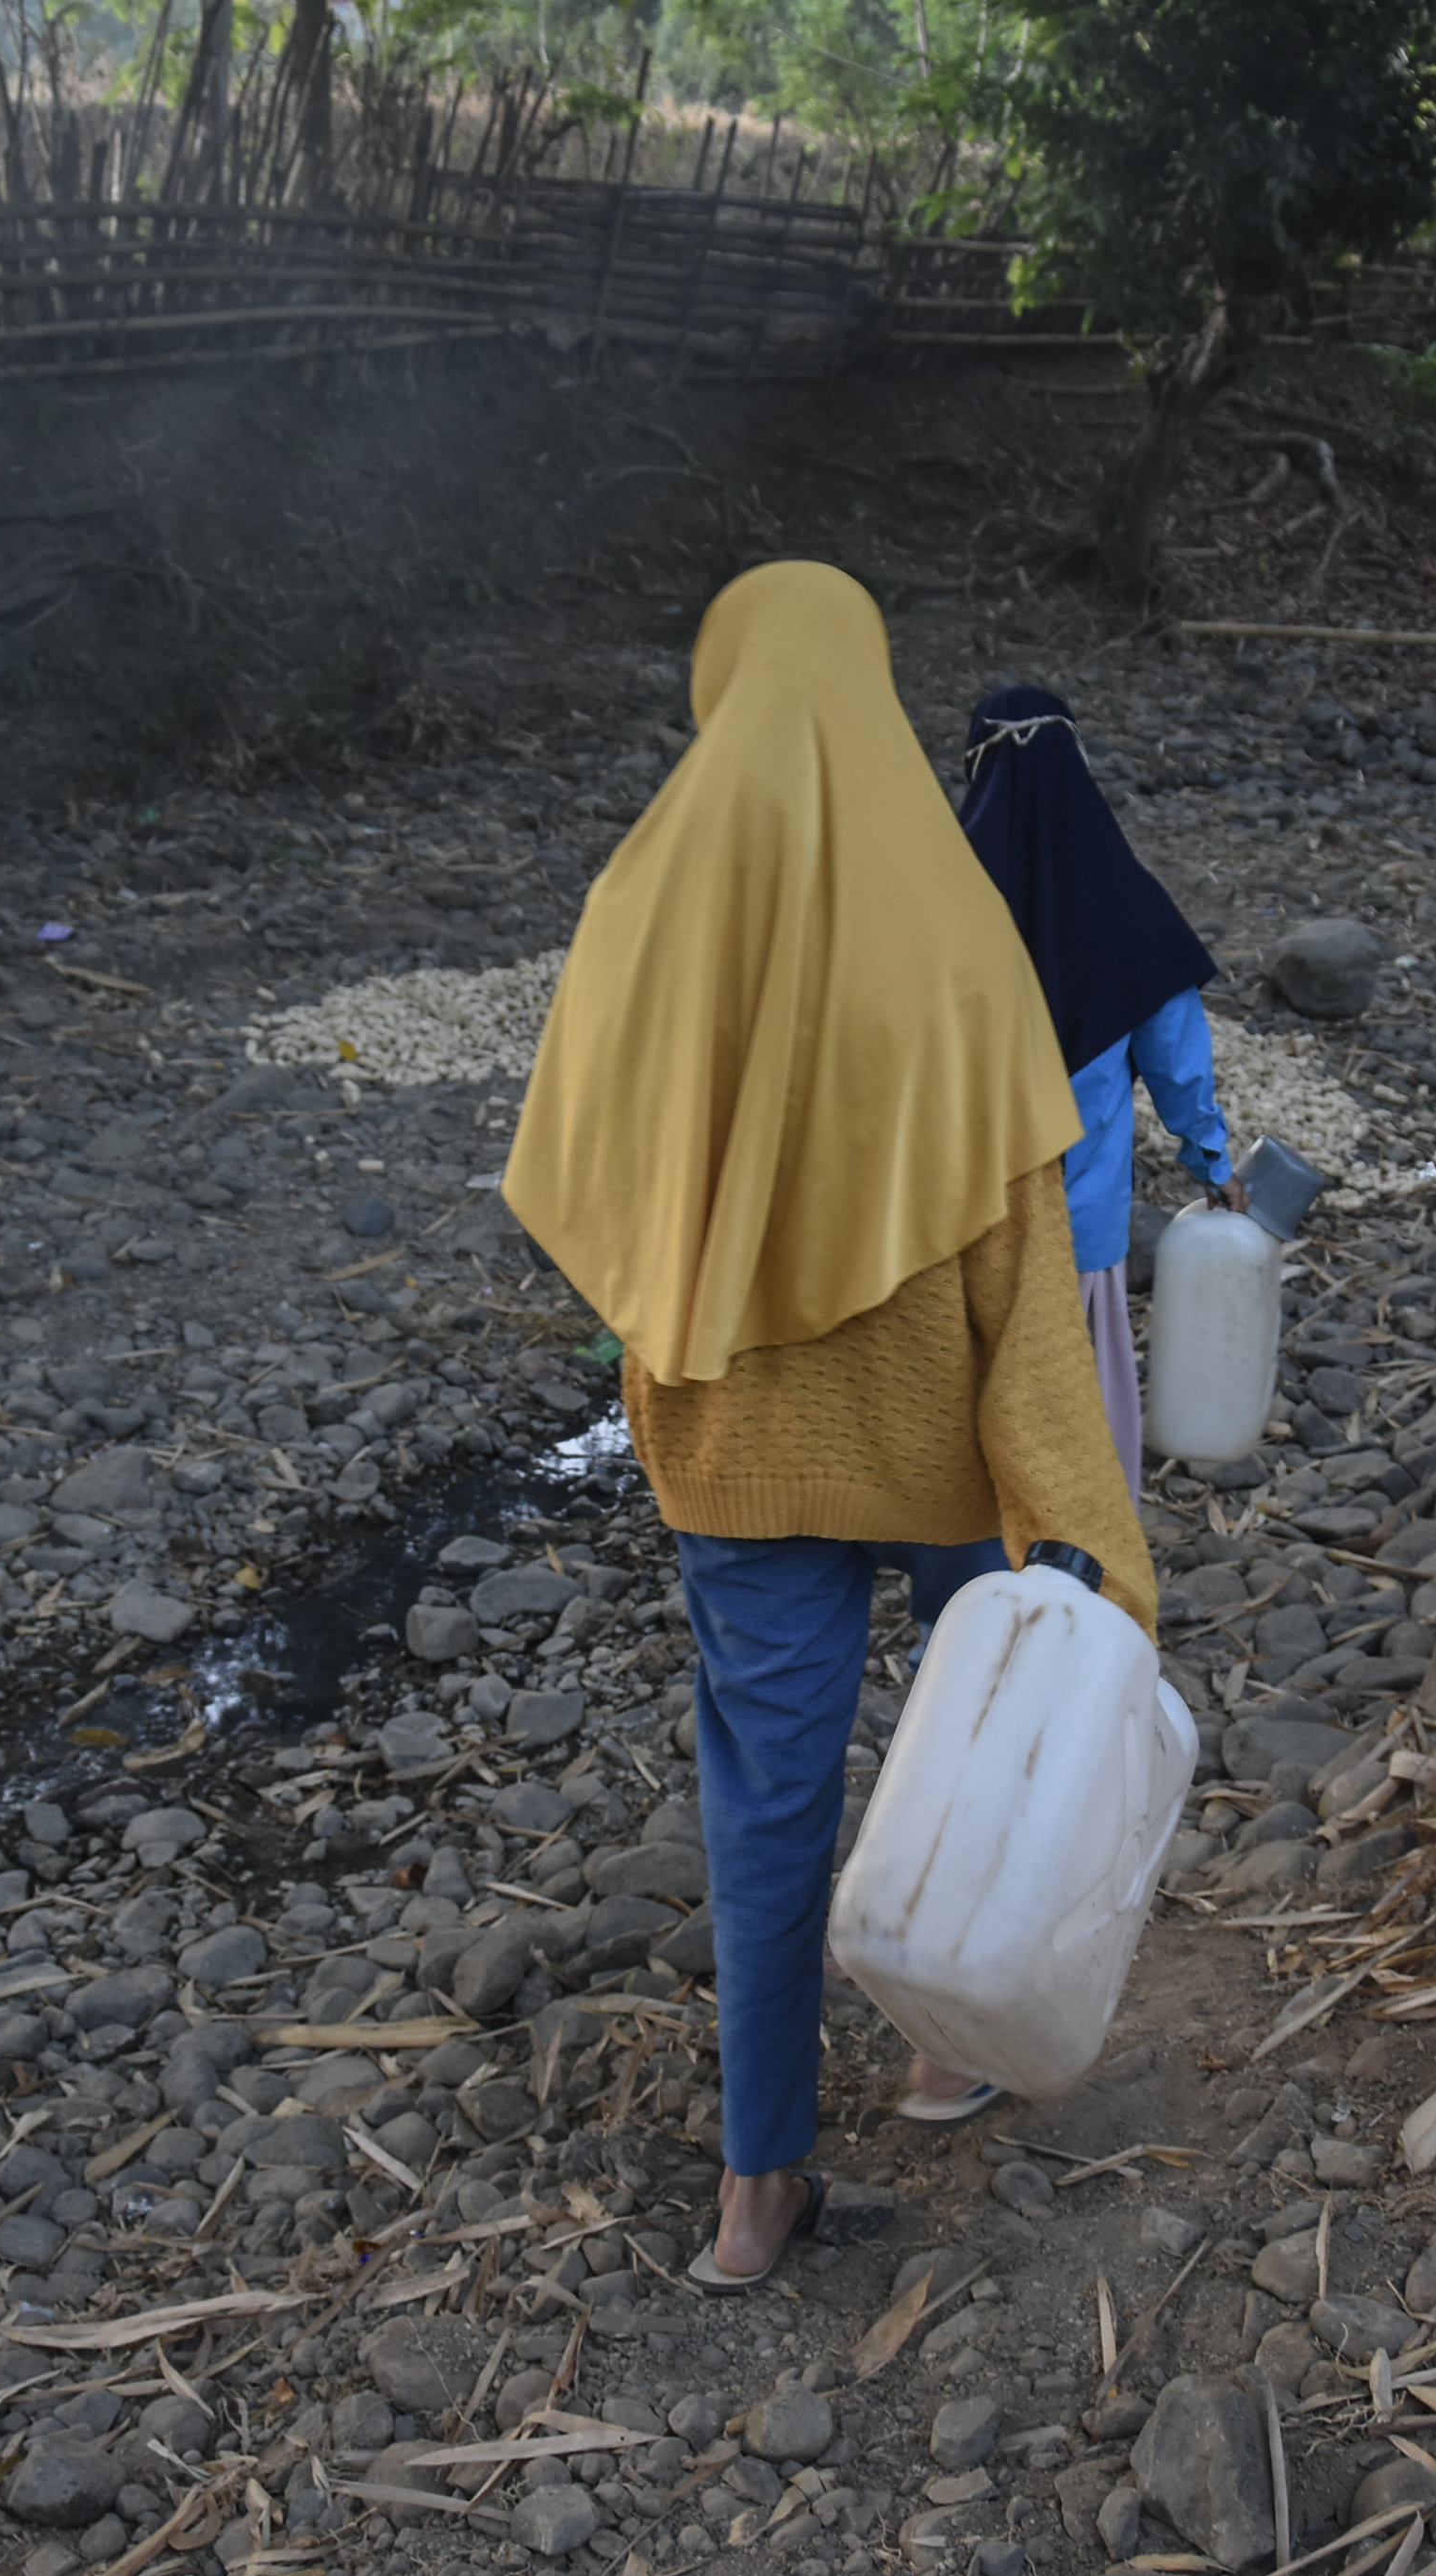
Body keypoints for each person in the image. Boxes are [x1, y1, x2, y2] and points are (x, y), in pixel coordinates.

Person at [506, 564, 1157, 2289]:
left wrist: (677, 1331)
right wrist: (1076, 1505)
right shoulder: (952, 924)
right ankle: (943, 2052)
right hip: (940, 1448)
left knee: (766, 1811)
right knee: (974, 1755)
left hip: (738, 1457)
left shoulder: (644, 902)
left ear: (721, 685)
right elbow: (1024, 1253)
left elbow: (590, 1171)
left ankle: (755, 2189)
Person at [957, 683, 1249, 1493]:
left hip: (955, 1227)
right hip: (1078, 1231)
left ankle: (964, 1555)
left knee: (962, 1413)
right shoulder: (1127, 907)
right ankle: (1081, 1548)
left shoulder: (940, 903)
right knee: (1073, 1418)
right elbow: (1178, 1064)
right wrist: (1214, 1164)